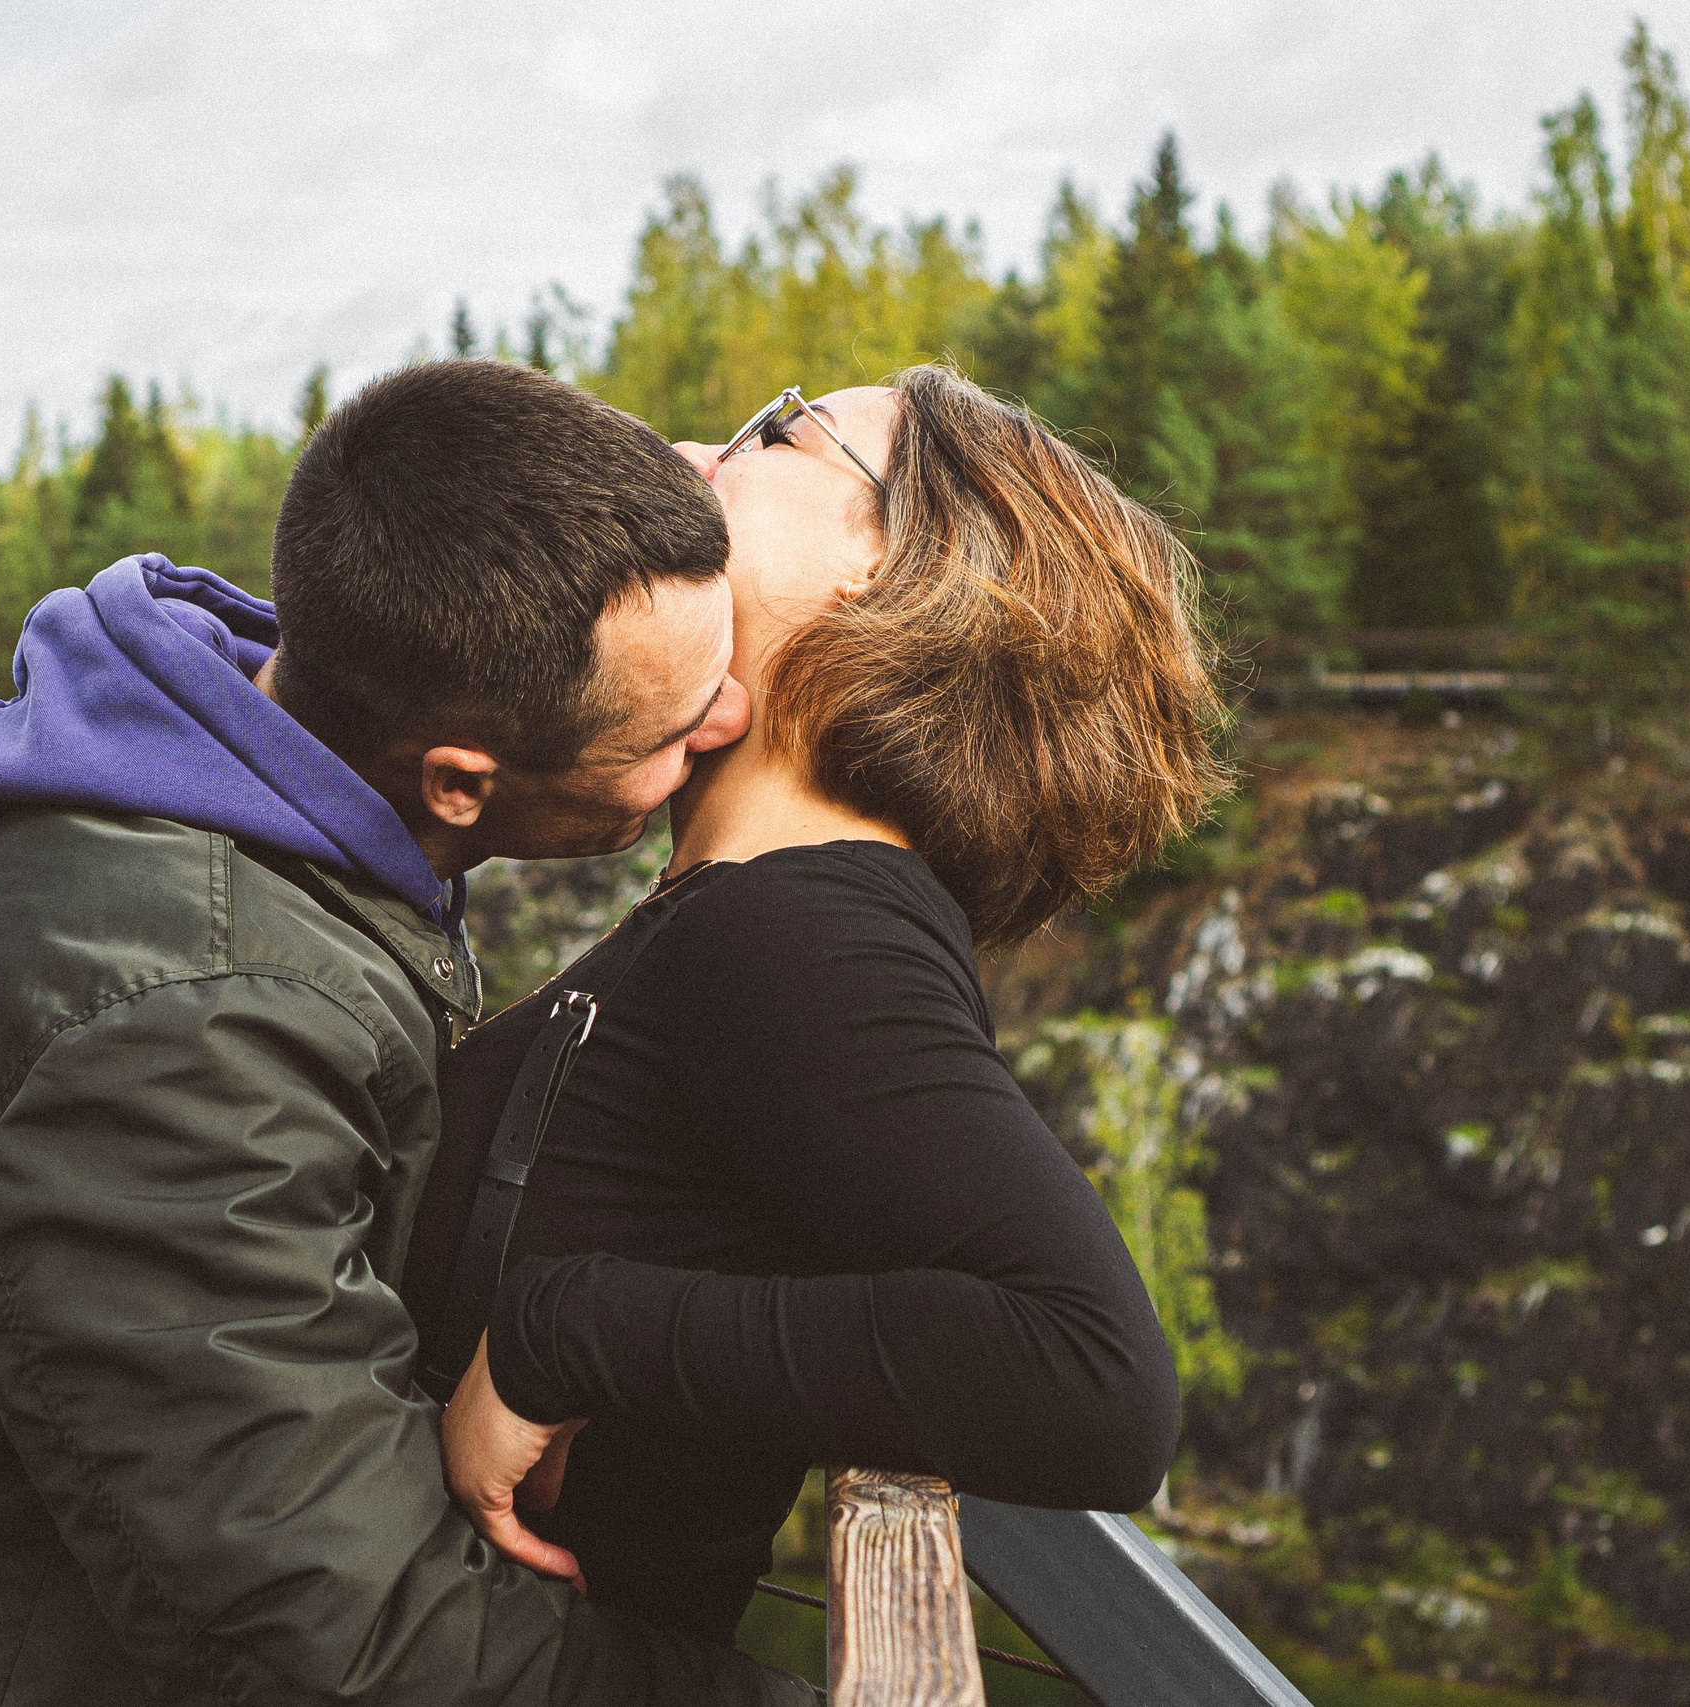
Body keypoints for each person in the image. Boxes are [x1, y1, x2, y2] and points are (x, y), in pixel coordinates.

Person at [0, 361, 817, 1706]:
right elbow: (340, 1632)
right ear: (460, 778)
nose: (731, 720)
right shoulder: (178, 1023)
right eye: (679, 729)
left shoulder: (260, 819)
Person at [415, 365, 1228, 1642]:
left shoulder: (803, 926)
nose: (693, 446)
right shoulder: (758, 913)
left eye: (777, 435)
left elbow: (1092, 1383)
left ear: (901, 574)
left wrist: (565, 1330)